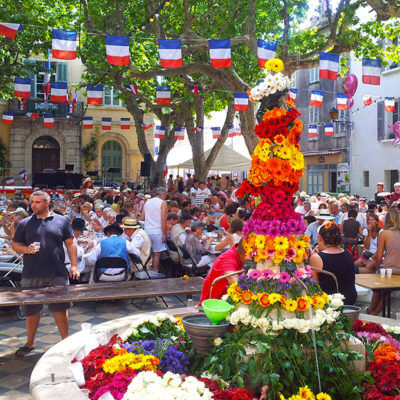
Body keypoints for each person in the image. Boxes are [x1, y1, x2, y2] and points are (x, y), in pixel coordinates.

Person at [12, 191, 79, 356]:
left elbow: (71, 244)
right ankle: (30, 342)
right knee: (31, 310)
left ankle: (65, 341)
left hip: (57, 272)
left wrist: (74, 265)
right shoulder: (25, 223)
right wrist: (26, 249)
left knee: (60, 308)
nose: (33, 205)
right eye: (32, 202)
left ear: (47, 203)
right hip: (31, 273)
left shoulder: (61, 221)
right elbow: (15, 244)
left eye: (37, 202)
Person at [309, 222, 357, 305]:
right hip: (350, 298)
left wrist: (314, 257)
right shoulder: (347, 252)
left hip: (331, 302)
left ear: (320, 238)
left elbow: (314, 287)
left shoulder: (316, 258)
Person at [367, 208, 400, 315]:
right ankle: (374, 312)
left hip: (387, 269)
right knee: (386, 292)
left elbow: (379, 257)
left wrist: (376, 268)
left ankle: (372, 311)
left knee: (377, 288)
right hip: (398, 270)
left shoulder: (384, 233)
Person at [199, 240, 247, 304]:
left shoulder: (239, 254)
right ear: (243, 254)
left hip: (226, 300)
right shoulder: (227, 259)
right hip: (213, 303)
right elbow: (234, 281)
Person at [141, 187, 168, 271]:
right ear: (162, 194)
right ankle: (155, 271)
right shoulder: (163, 203)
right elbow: (163, 220)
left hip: (147, 230)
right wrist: (164, 233)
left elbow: (142, 217)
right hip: (157, 231)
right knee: (156, 254)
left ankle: (148, 269)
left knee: (148, 252)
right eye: (165, 195)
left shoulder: (147, 202)